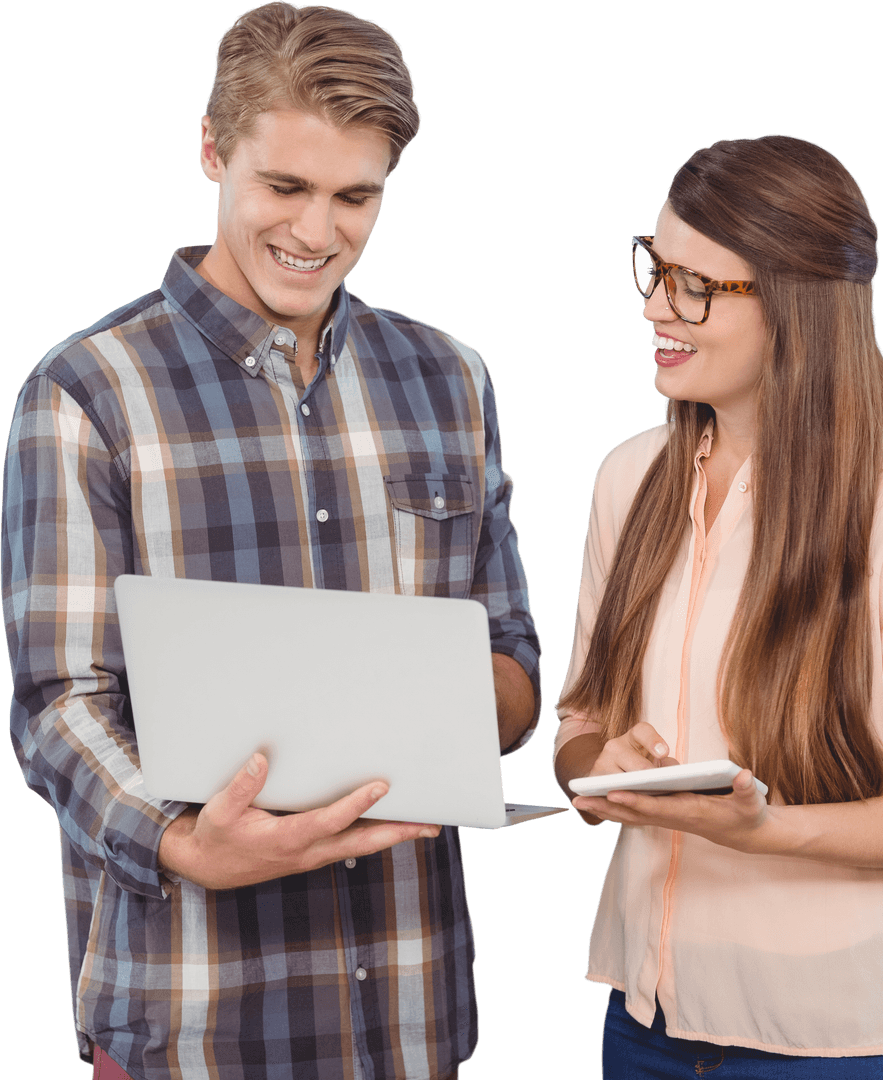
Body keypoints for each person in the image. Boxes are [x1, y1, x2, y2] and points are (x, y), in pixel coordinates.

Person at [2, 4, 540, 1079]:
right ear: (212, 147)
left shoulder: (450, 378)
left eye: (356, 196)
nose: (317, 230)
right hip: (193, 1018)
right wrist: (184, 839)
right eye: (284, 186)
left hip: (409, 1010)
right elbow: (54, 701)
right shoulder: (85, 393)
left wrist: (448, 705)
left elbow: (514, 655)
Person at [553, 135, 883, 1079]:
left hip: (836, 1040)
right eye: (653, 266)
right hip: (646, 1026)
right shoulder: (625, 481)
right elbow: (580, 724)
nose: (653, 306)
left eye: (695, 286)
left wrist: (768, 831)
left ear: (798, 308)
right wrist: (603, 765)